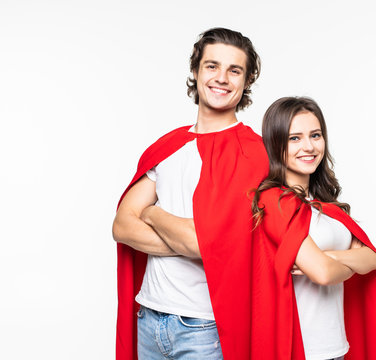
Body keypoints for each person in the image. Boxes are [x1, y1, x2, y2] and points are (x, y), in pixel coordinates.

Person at [112, 28, 268, 360]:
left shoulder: (252, 153)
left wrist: (152, 214)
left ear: (246, 80)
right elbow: (122, 227)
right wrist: (194, 239)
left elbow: (205, 244)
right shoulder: (169, 147)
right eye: (212, 66)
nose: (221, 78)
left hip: (204, 328)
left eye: (234, 70)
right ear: (196, 71)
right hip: (149, 317)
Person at [250, 97, 376, 360]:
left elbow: (373, 260)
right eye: (295, 138)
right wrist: (340, 262)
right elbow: (324, 274)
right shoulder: (274, 201)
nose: (308, 146)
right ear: (276, 143)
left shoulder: (327, 208)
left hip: (336, 348)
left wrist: (330, 257)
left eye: (315, 135)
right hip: (302, 350)